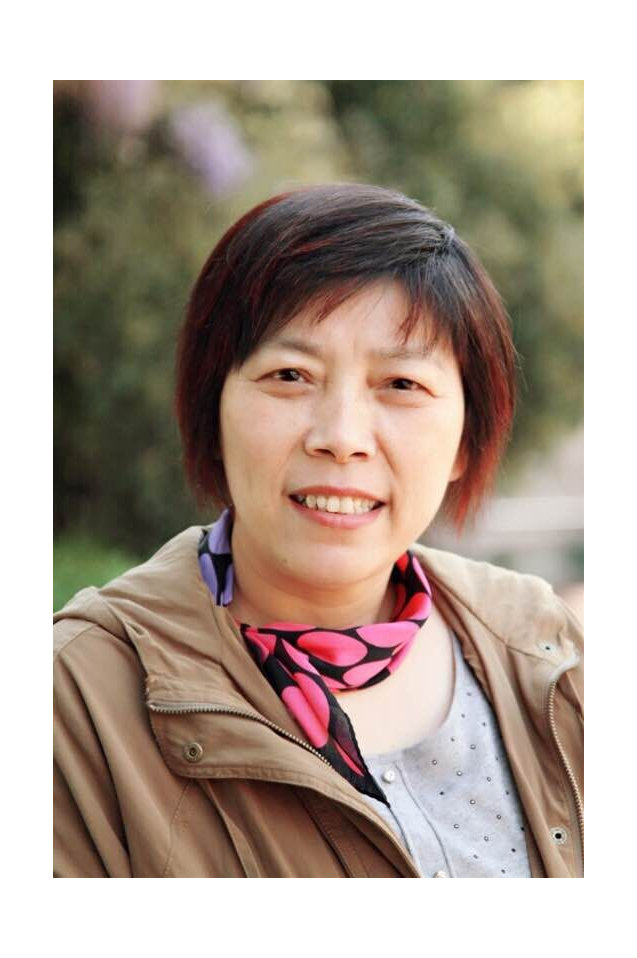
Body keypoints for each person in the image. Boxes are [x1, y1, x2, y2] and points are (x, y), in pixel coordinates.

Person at [53, 183, 583, 878]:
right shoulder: (74, 701)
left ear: (465, 438)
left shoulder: (541, 649)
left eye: (401, 385)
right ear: (213, 409)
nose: (341, 436)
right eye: (290, 375)